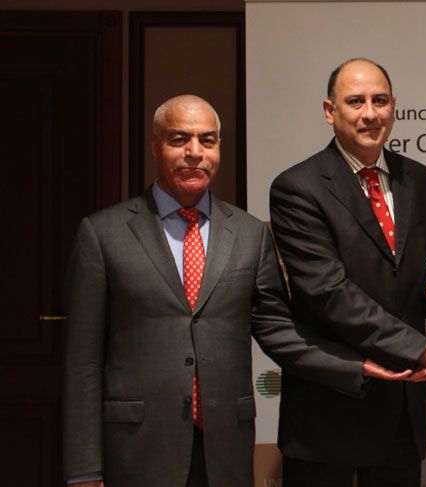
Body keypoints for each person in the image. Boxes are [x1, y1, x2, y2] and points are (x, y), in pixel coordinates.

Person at [63, 95, 375, 487]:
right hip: (137, 449)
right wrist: (84, 470)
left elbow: (279, 332)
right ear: (156, 146)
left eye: (207, 140)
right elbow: (84, 361)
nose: (195, 152)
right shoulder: (102, 234)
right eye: (179, 139)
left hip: (224, 449)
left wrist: (357, 366)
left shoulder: (249, 234)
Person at [268, 58, 426, 486]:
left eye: (380, 101)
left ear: (394, 106)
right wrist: (423, 351)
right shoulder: (297, 188)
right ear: (330, 111)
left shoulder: (419, 179)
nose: (370, 113)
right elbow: (329, 293)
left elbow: (412, 274)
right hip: (330, 409)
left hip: (402, 409)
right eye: (356, 101)